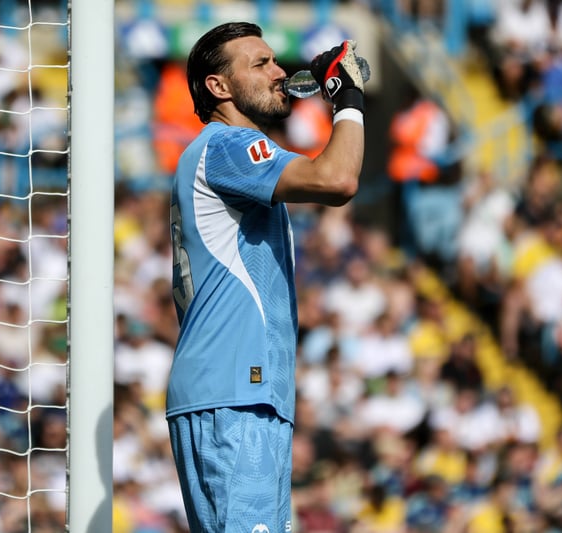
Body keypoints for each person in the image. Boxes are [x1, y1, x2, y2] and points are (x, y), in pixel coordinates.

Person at [167, 21, 366, 532]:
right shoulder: (229, 146)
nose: (279, 72)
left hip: (247, 393)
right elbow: (337, 179)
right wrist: (348, 101)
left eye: (277, 60)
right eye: (261, 64)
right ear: (219, 86)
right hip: (236, 393)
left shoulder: (233, 158)